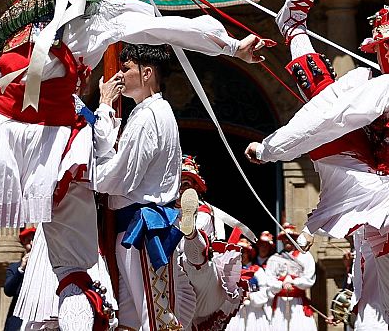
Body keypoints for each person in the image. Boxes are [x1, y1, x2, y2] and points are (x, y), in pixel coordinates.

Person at [0, 0, 268, 331]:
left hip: (9, 146)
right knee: (75, 271)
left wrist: (4, 116)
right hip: (62, 148)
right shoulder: (95, 18)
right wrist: (232, 46)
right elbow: (160, 26)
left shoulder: (6, 27)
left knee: (67, 268)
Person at [246, 0, 389, 331]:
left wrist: (270, 148)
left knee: (328, 107)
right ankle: (294, 31)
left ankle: (294, 32)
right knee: (381, 310)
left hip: (387, 199)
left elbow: (328, 116)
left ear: (384, 48)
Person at [92, 43, 192, 331]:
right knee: (131, 319)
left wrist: (104, 109)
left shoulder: (149, 116)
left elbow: (120, 178)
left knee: (156, 319)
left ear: (146, 73)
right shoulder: (146, 112)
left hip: (144, 233)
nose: (119, 75)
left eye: (126, 69)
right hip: (135, 230)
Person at [174, 156, 252, 331]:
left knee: (194, 255)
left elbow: (203, 226)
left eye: (185, 184)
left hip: (205, 275)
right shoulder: (164, 213)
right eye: (178, 185)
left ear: (195, 188)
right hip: (176, 277)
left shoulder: (204, 212)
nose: (181, 190)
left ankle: (191, 234)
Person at [259, 226, 316, 331]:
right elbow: (269, 280)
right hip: (280, 302)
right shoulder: (274, 259)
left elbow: (309, 278)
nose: (287, 240)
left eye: (290, 237)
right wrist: (281, 284)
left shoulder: (305, 256)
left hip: (298, 302)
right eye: (285, 237)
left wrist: (294, 282)